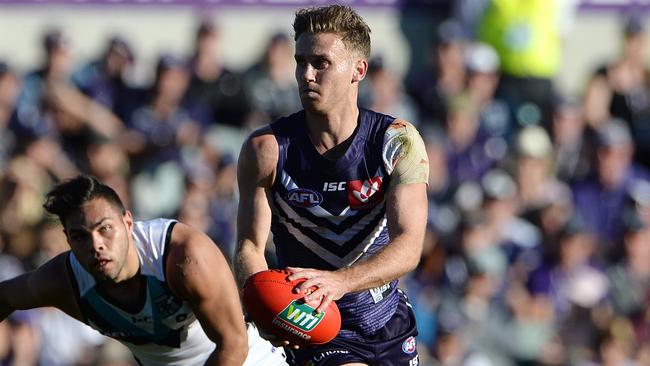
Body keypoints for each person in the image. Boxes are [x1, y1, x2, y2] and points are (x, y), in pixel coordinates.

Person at [235, 5, 428, 365]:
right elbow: (249, 245)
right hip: (315, 325)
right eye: (300, 61)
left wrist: (340, 281)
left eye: (321, 63)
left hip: (387, 323)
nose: (306, 75)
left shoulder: (397, 142)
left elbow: (410, 246)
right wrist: (260, 303)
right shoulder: (266, 150)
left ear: (359, 70)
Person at [0, 175, 287, 366]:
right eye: (80, 237)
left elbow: (233, 345)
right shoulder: (63, 281)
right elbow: (6, 296)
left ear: (128, 222)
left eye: (105, 229)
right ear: (67, 239)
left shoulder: (184, 257)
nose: (96, 245)